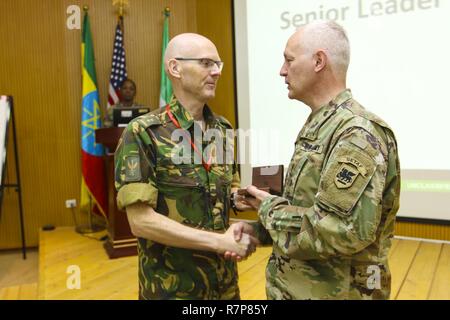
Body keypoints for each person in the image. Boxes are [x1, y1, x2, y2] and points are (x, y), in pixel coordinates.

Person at [232, 21, 401, 300]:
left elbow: (341, 230)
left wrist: (268, 210)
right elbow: (308, 212)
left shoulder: (356, 133)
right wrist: (259, 231)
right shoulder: (321, 124)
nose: (282, 70)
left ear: (319, 61)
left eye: (288, 60)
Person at [114, 33, 259, 300]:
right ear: (175, 68)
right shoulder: (143, 132)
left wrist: (238, 197)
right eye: (206, 63)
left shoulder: (222, 128)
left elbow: (223, 189)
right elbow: (140, 221)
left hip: (224, 286)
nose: (216, 72)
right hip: (173, 289)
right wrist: (219, 242)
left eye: (218, 64)